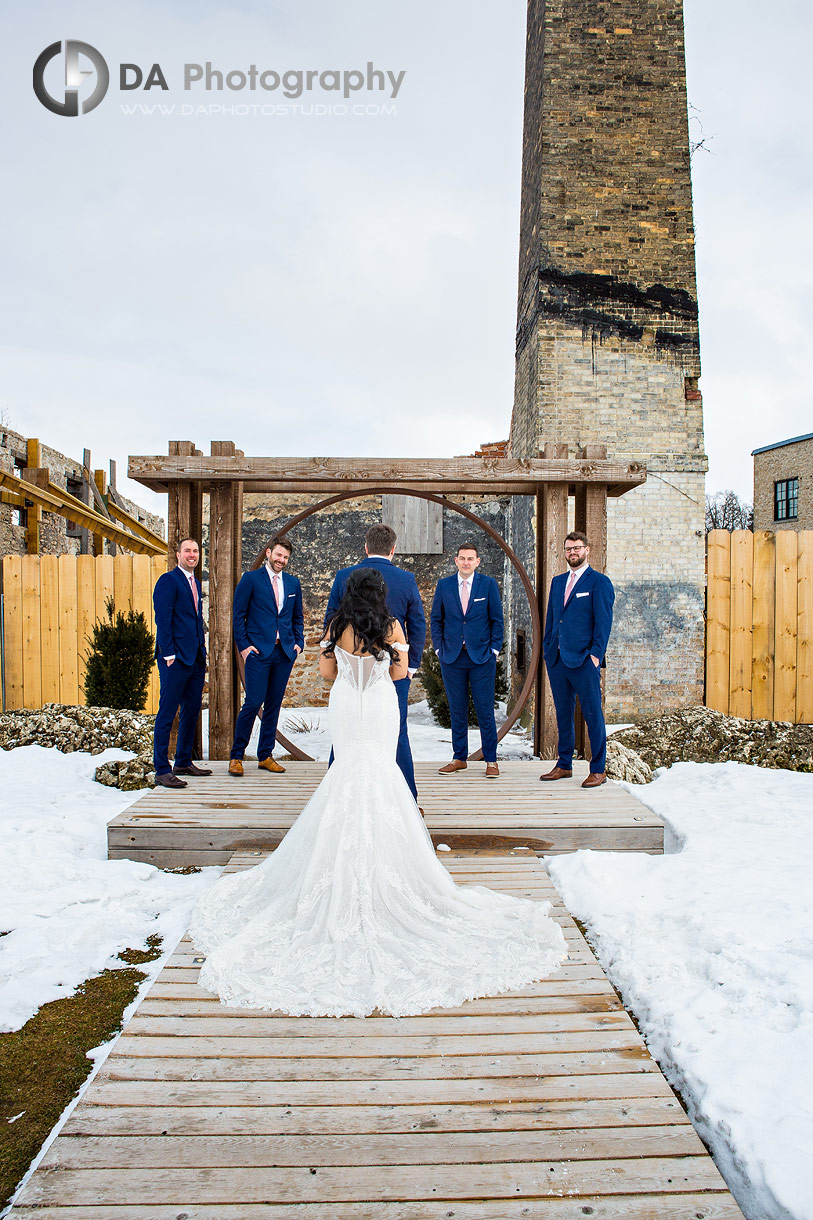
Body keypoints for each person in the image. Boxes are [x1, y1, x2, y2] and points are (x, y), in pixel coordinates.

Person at [189, 567, 565, 1017]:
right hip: (382, 705)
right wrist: (382, 663)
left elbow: (327, 673)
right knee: (382, 772)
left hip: (347, 705)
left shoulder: (336, 626)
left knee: (347, 771)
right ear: (381, 594)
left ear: (350, 592)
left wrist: (350, 666)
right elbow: (403, 670)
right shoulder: (391, 625)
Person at [324, 523, 425, 799]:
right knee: (396, 734)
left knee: (345, 737)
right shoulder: (406, 579)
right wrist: (410, 666)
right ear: (393, 549)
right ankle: (408, 799)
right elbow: (417, 624)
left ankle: (337, 797)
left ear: (366, 547)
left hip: (349, 678)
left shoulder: (344, 576)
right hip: (391, 672)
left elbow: (330, 621)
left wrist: (341, 664)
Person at [540, 530, 615, 789]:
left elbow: (604, 623)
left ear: (587, 550)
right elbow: (552, 619)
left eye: (577, 548)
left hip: (584, 660)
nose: (573, 552)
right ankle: (564, 764)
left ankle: (598, 769)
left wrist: (595, 655)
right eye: (569, 549)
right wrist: (548, 649)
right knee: (563, 713)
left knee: (593, 714)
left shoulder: (599, 582)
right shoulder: (558, 582)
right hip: (558, 659)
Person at [229, 535, 304, 776]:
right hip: (258, 652)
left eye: (286, 557)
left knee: (274, 705)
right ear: (269, 553)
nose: (281, 560)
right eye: (279, 555)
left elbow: (297, 618)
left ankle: (265, 755)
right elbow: (238, 615)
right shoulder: (251, 580)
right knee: (253, 702)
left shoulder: (293, 584)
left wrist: (298, 643)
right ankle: (236, 756)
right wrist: (244, 647)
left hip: (283, 653)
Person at [431, 542, 503, 778]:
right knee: (457, 710)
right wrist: (439, 649)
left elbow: (497, 620)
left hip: (482, 657)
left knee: (485, 710)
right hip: (452, 657)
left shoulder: (488, 585)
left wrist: (494, 649)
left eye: (470, 559)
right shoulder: (444, 586)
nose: (466, 562)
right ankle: (459, 757)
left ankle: (491, 760)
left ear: (477, 562)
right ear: (456, 560)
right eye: (462, 558)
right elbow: (436, 620)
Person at [152, 537, 212, 789]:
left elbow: (195, 620)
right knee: (168, 711)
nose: (192, 555)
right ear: (177, 555)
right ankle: (162, 768)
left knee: (192, 709)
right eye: (187, 550)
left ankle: (183, 760)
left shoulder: (194, 582)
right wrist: (168, 654)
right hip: (174, 658)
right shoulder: (168, 581)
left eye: (195, 551)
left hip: (195, 657)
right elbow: (163, 619)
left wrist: (202, 651)